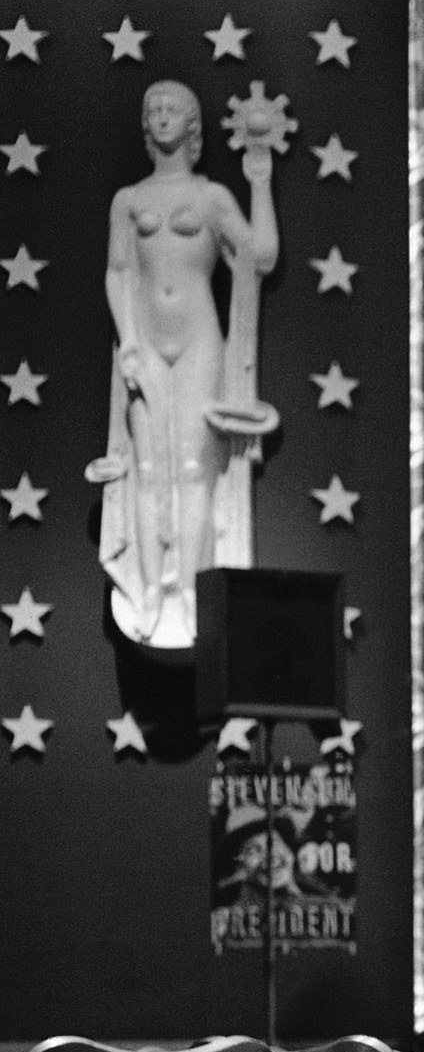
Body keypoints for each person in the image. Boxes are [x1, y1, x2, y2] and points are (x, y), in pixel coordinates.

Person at [95, 78, 282, 653]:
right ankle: (153, 592)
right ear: (146, 125)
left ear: (194, 123)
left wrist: (260, 179)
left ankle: (194, 591)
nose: (162, 114)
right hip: (145, 342)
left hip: (200, 341)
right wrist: (127, 342)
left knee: (196, 470)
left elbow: (261, 256)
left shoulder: (211, 197)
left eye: (173, 107)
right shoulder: (128, 200)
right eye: (153, 108)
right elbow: (119, 273)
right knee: (148, 470)